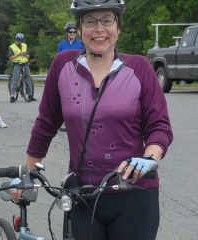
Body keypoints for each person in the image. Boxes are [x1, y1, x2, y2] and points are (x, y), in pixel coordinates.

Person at [10, 0, 173, 239]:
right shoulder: (63, 66)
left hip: (135, 192)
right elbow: (46, 124)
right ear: (80, 29)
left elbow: (159, 126)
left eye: (107, 20)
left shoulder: (139, 68)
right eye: (90, 21)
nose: (99, 29)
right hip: (82, 194)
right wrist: (28, 173)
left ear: (118, 27)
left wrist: (149, 158)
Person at [8, 33, 36, 103]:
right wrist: (18, 54)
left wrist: (25, 55)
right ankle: (12, 96)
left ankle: (30, 95)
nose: (21, 42)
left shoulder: (24, 45)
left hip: (25, 64)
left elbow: (28, 56)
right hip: (17, 64)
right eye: (20, 41)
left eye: (22, 41)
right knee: (15, 80)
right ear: (17, 40)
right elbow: (11, 58)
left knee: (28, 78)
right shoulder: (12, 47)